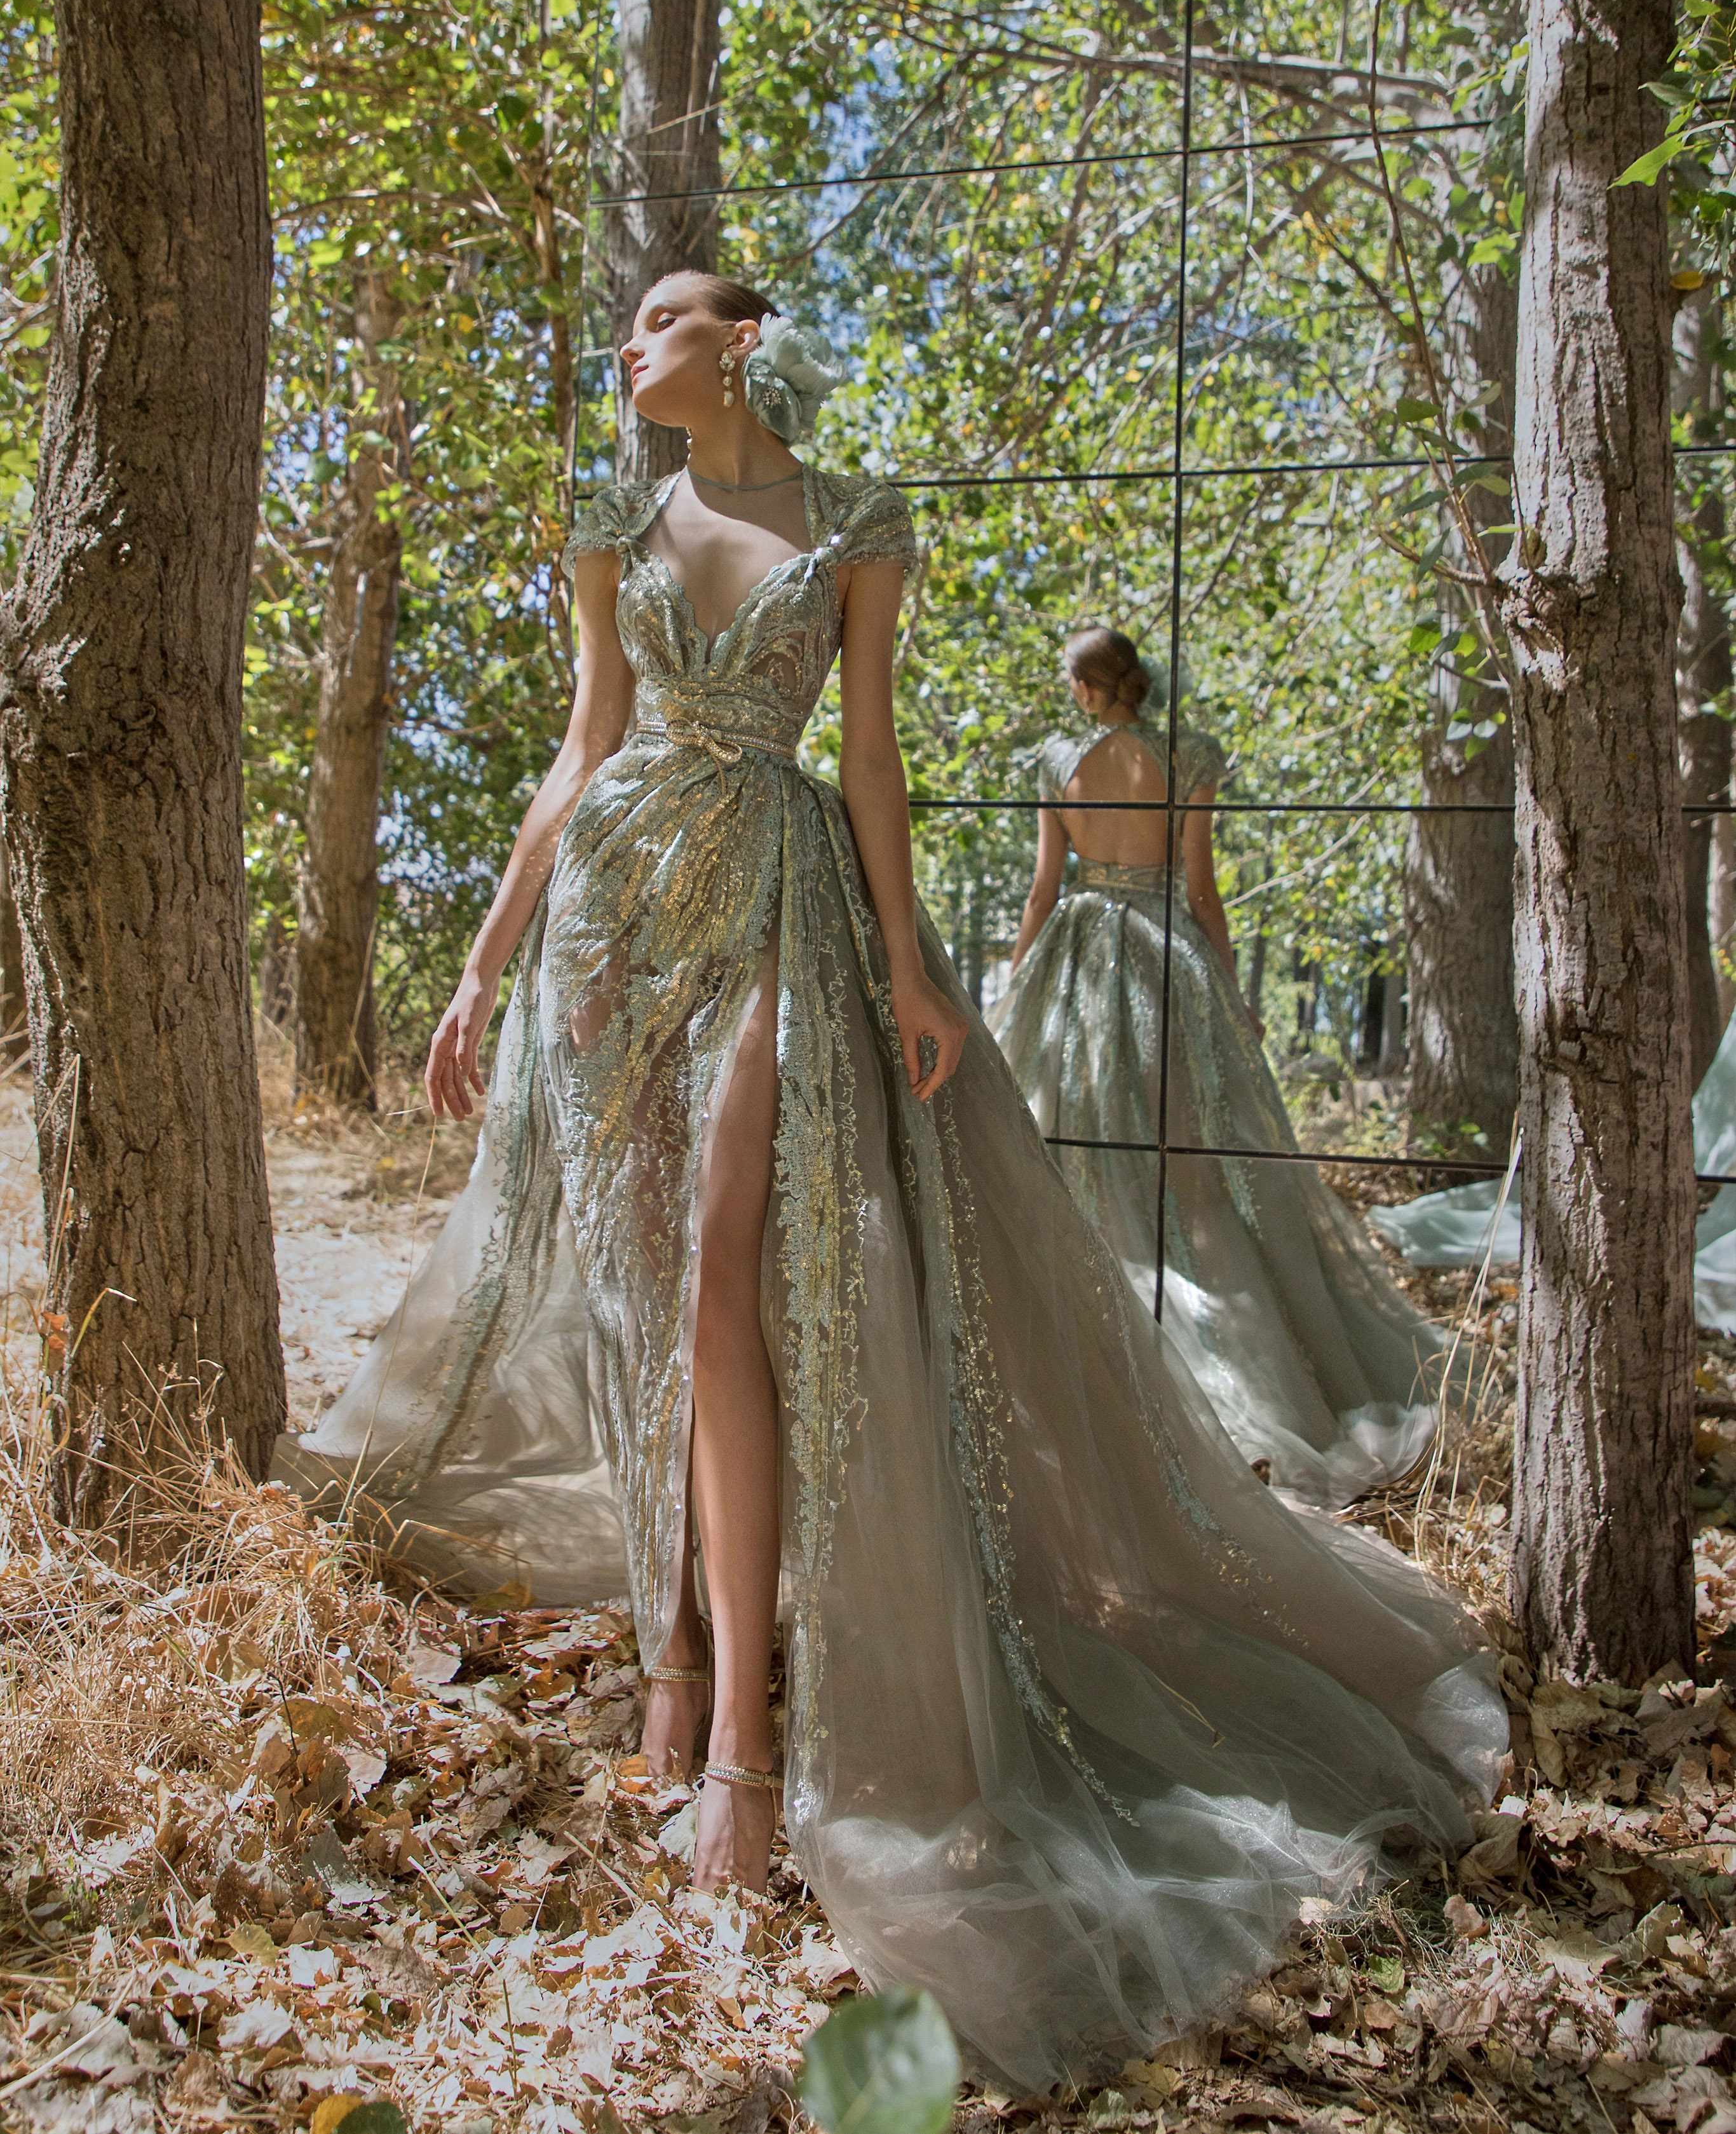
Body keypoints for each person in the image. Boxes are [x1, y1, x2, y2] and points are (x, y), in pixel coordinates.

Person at [281, 275, 1504, 2093]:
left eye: (657, 322)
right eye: (625, 330)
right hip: (615, 905)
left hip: (778, 895)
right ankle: (672, 1647)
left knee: (721, 1275)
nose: (627, 348)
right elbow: (583, 741)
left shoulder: (853, 522)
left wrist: (917, 970)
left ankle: (742, 1742)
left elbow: (866, 754)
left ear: (737, 341)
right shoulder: (608, 511)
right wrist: (480, 961)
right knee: (641, 1291)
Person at [991, 628, 1453, 1507]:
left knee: (1073, 1145)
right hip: (1165, 958)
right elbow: (1201, 891)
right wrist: (1231, 994)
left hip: (1079, 958)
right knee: (1193, 1165)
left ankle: (1108, 1355)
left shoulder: (1055, 763)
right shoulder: (1188, 756)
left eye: (1071, 683)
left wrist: (1018, 988)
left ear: (1087, 686)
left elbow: (1045, 889)